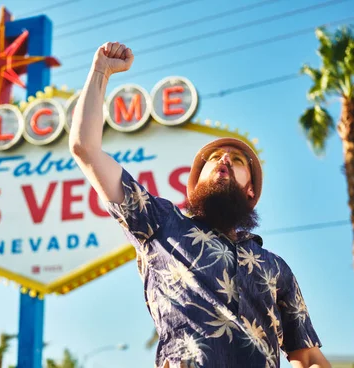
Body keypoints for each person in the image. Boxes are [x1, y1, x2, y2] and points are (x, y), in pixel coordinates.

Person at [69, 42, 331, 368]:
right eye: (213, 158)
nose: (223, 159)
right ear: (195, 185)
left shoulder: (276, 268)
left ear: (251, 191)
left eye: (236, 160)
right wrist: (100, 72)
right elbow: (85, 147)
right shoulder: (159, 223)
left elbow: (308, 357)